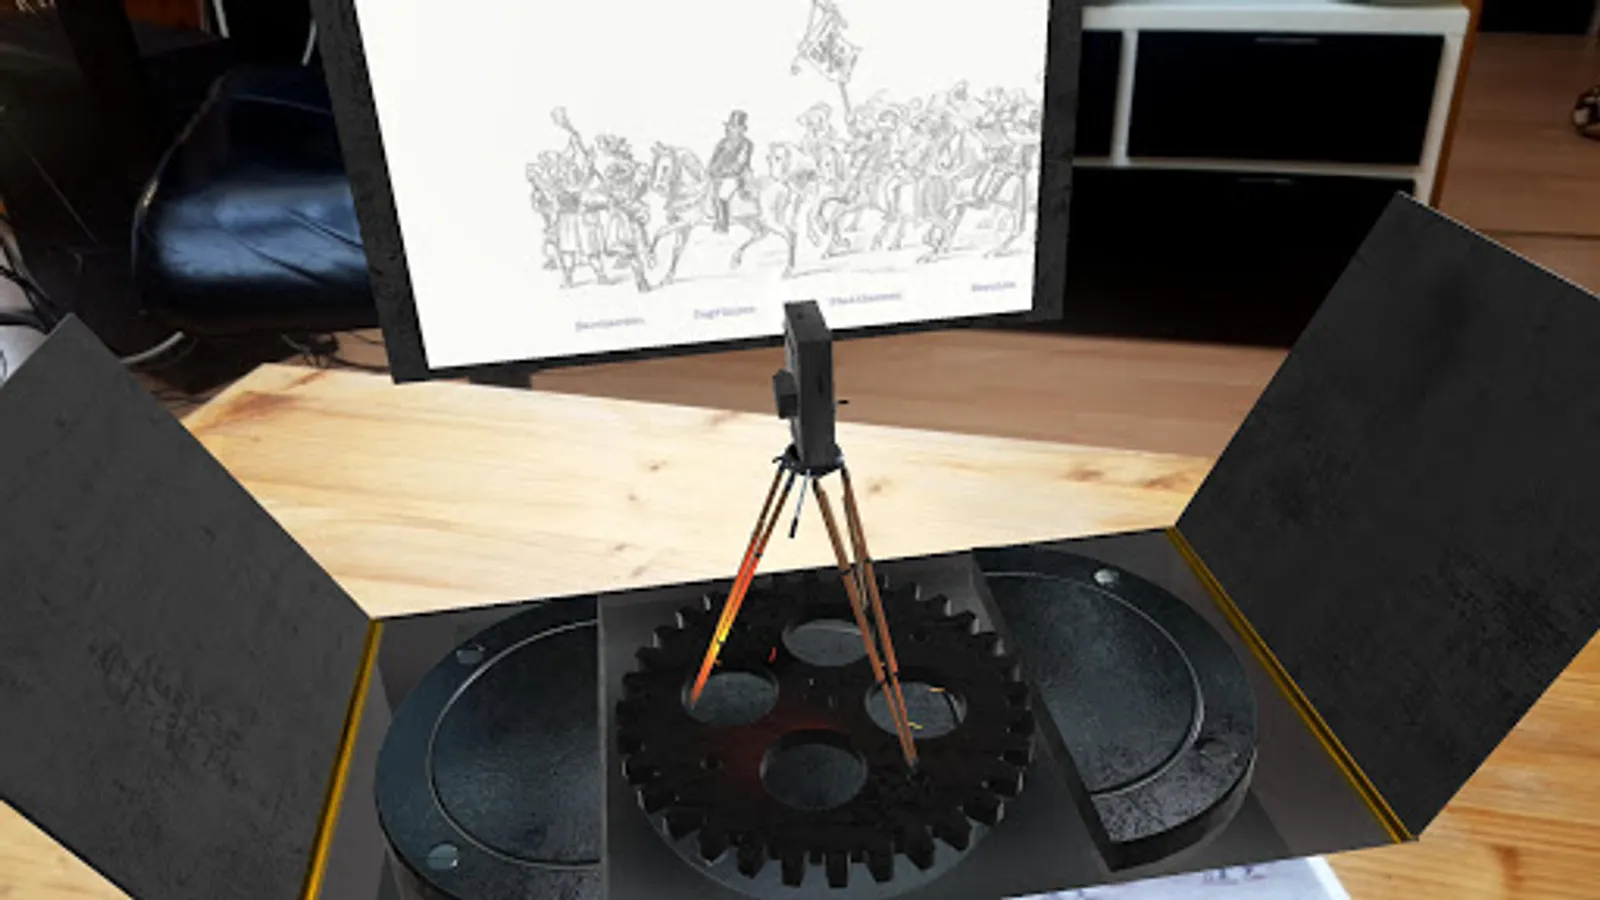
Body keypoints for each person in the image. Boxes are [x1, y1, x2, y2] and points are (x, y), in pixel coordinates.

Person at [709, 110, 754, 233]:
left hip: (737, 176)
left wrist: (724, 172)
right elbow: (714, 158)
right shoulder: (722, 143)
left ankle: (723, 224)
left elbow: (740, 163)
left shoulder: (746, 144)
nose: (729, 129)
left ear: (741, 129)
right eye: (729, 126)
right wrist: (712, 169)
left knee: (722, 194)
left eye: (733, 127)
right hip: (719, 175)